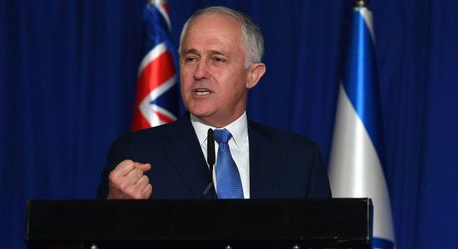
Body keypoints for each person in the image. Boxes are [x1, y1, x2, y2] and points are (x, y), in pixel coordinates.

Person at [97, 6, 331, 200]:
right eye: (191, 58)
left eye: (217, 59)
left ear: (253, 75)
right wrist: (116, 208)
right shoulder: (137, 154)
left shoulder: (299, 159)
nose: (199, 72)